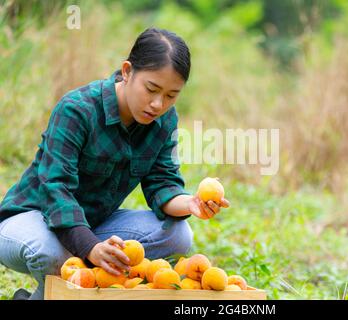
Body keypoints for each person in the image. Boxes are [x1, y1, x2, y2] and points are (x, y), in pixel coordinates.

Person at [0, 27, 230, 300]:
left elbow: (163, 182)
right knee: (55, 253)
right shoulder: (77, 109)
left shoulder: (163, 121)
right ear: (127, 71)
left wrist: (191, 203)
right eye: (151, 89)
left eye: (171, 95)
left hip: (94, 224)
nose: (158, 104)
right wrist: (91, 248)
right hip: (32, 219)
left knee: (178, 234)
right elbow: (55, 191)